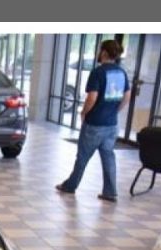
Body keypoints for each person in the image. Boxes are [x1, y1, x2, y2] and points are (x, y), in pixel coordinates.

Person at [56, 39, 131, 202]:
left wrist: (83, 113)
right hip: (112, 124)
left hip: (95, 123)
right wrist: (115, 111)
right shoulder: (121, 73)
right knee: (108, 157)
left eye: (99, 49)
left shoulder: (98, 72)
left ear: (104, 52)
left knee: (82, 156)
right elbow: (127, 96)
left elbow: (92, 97)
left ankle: (70, 186)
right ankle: (110, 192)